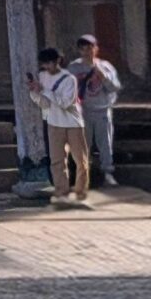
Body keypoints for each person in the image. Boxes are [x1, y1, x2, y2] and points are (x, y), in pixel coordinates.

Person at [28, 46, 90, 203]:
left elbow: (65, 102)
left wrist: (46, 91)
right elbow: (45, 104)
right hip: (54, 122)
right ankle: (61, 193)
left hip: (73, 123)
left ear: (58, 61)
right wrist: (34, 92)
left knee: (80, 160)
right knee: (57, 161)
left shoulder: (69, 79)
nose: (47, 67)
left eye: (49, 63)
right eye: (44, 64)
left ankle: (81, 192)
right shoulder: (43, 76)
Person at [70, 33, 122, 188]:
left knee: (105, 143)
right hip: (82, 112)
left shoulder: (106, 66)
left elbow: (115, 87)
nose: (88, 51)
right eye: (84, 48)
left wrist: (103, 77)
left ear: (96, 48)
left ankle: (107, 173)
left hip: (102, 110)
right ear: (80, 50)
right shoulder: (74, 68)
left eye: (91, 47)